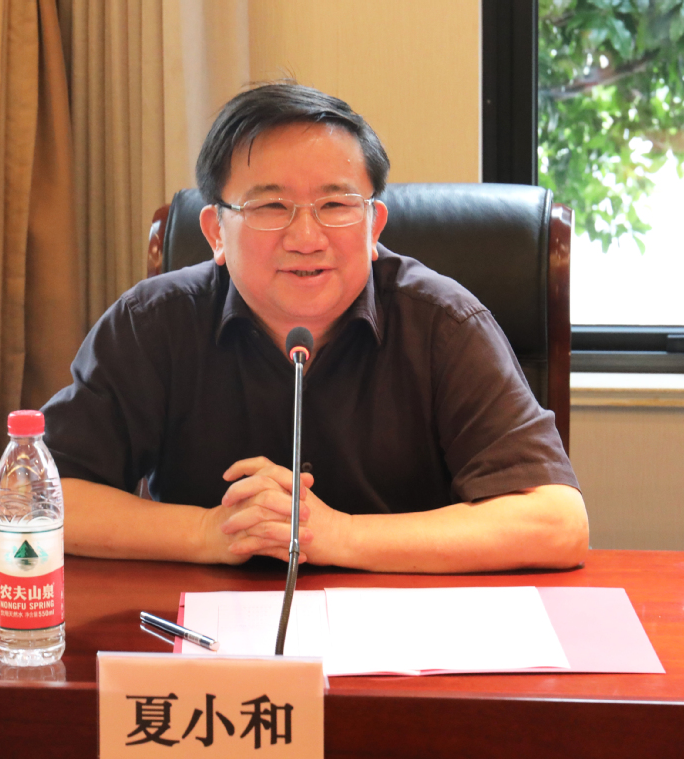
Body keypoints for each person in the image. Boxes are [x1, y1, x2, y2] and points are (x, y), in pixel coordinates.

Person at [42, 82, 589, 573]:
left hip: (402, 630)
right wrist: (211, 531)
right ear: (215, 232)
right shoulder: (153, 322)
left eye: (334, 204)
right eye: (270, 206)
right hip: (205, 631)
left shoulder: (443, 324)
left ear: (373, 226)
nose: (306, 237)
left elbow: (557, 521)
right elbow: (39, 496)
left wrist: (336, 535)